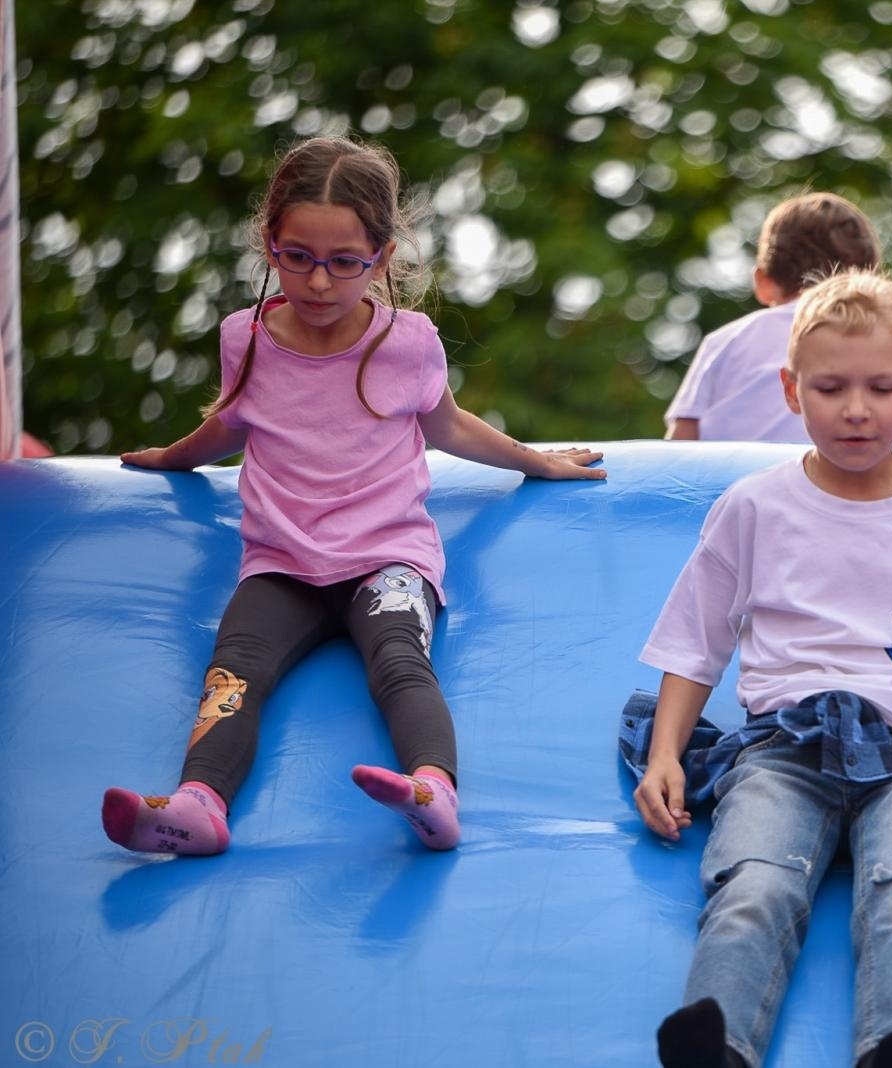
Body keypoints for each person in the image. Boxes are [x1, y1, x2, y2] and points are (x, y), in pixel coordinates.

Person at [101, 136, 605, 857]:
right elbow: (231, 423)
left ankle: (433, 789)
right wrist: (173, 457)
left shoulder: (406, 343)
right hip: (282, 562)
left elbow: (449, 427)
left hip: (385, 557)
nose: (316, 282)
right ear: (268, 242)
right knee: (233, 672)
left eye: (345, 263)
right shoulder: (246, 337)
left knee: (399, 661)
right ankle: (198, 806)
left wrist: (535, 462)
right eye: (296, 256)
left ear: (383, 255)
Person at [630, 269, 892, 1068]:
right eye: (831, 387)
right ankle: (719, 1045)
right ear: (791, 390)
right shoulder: (754, 506)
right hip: (788, 745)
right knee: (754, 887)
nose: (857, 408)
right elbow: (695, 641)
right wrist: (665, 754)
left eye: (883, 388)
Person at [663, 192, 892, 448]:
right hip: (838, 497)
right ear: (872, 284)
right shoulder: (889, 339)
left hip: (726, 497)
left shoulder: (724, 341)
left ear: (763, 282)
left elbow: (679, 447)